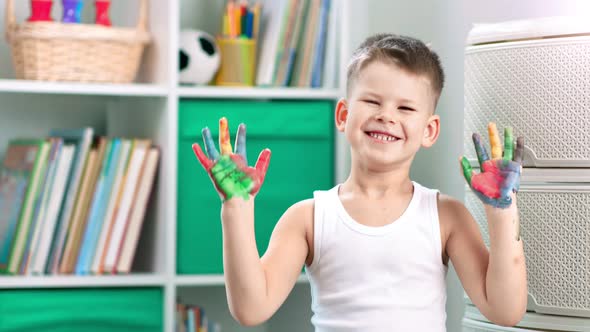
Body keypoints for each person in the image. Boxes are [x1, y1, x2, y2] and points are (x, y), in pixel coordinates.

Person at [192, 33, 528, 331]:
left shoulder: (446, 216)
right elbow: (251, 309)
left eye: (406, 108)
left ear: (429, 130)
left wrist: (502, 210)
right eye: (372, 101)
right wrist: (236, 206)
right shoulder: (307, 218)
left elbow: (505, 311)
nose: (387, 115)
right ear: (343, 115)